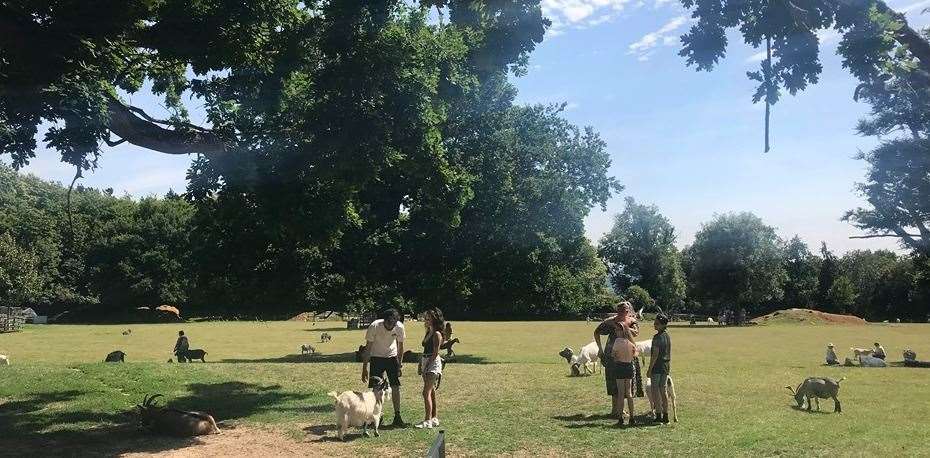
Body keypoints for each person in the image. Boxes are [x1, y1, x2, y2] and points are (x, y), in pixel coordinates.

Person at [594, 301, 640, 421]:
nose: (623, 312)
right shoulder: (610, 322)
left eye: (625, 310)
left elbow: (636, 333)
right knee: (613, 383)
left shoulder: (632, 321)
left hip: (627, 355)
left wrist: (625, 328)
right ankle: (616, 410)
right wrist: (600, 349)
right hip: (612, 355)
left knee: (627, 386)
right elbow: (597, 332)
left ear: (628, 311)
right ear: (617, 310)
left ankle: (621, 410)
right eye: (620, 310)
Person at [361, 308, 407, 427]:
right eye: (389, 323)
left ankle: (397, 416)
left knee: (395, 386)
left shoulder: (399, 327)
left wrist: (399, 365)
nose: (391, 326)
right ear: (384, 320)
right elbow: (368, 348)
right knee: (377, 388)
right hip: (376, 358)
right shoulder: (374, 326)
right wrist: (364, 368)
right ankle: (377, 416)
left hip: (392, 358)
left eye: (393, 323)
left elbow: (401, 347)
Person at [415, 308, 445, 429]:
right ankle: (434, 418)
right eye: (425, 318)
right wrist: (420, 364)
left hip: (433, 362)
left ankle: (427, 420)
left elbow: (435, 352)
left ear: (434, 320)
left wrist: (427, 365)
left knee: (425, 392)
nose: (425, 320)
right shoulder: (428, 332)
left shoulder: (437, 334)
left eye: (428, 318)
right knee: (431, 391)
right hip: (425, 360)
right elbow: (425, 350)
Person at [612, 318, 639, 427]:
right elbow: (635, 353)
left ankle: (620, 418)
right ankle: (632, 417)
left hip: (620, 367)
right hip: (629, 366)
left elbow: (614, 356)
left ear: (622, 331)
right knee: (629, 393)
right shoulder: (631, 342)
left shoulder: (617, 341)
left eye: (618, 330)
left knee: (621, 394)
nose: (616, 332)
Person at [646, 314, 672, 424]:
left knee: (655, 391)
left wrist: (649, 368)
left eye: (656, 323)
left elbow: (655, 354)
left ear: (662, 325)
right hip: (665, 366)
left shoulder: (657, 337)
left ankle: (658, 416)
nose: (654, 325)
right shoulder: (667, 335)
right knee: (663, 390)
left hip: (657, 367)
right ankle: (666, 416)